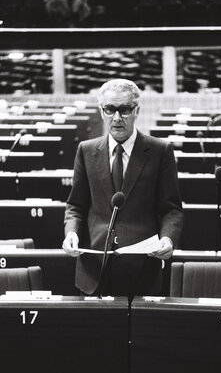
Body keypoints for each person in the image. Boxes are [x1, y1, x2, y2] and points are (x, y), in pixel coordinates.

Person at [63, 78, 184, 297]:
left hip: (142, 268)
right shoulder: (86, 150)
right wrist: (71, 232)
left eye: (125, 110)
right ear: (102, 111)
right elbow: (76, 206)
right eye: (110, 109)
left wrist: (168, 239)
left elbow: (171, 209)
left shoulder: (160, 151)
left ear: (137, 110)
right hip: (93, 268)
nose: (117, 118)